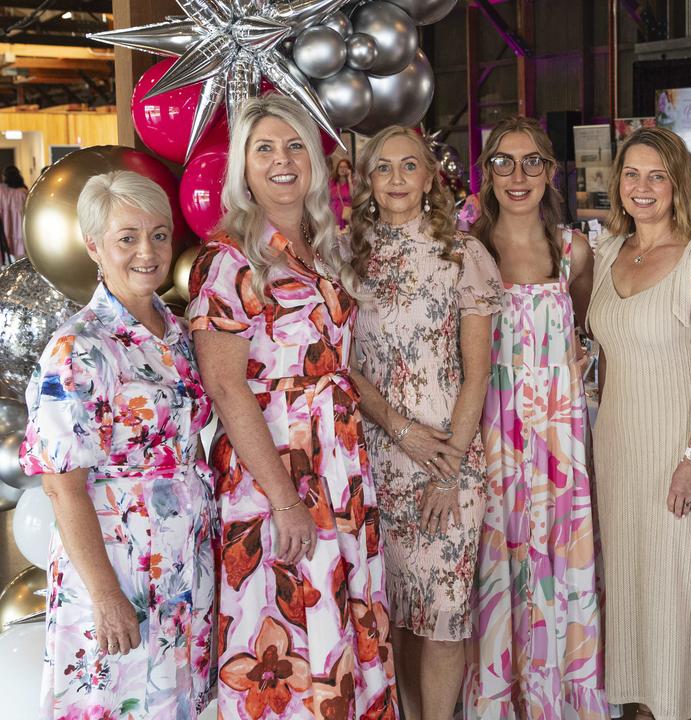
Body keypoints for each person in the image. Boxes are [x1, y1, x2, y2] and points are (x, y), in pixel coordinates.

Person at [186, 94, 397, 718]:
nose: (282, 161)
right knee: (283, 632)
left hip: (341, 467)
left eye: (295, 145)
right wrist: (283, 497)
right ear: (243, 169)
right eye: (265, 149)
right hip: (276, 470)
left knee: (345, 617)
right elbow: (226, 388)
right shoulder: (229, 259)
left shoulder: (319, 248)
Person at [20, 170, 215, 718]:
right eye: (126, 237)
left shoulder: (175, 331)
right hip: (118, 564)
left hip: (183, 562)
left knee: (177, 704)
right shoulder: (77, 347)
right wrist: (106, 597)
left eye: (158, 233)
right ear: (93, 246)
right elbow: (61, 488)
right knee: (119, 702)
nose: (147, 251)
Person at [346, 125, 500, 720]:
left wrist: (447, 469)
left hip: (448, 458)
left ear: (430, 176)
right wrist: (398, 429)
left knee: (442, 617)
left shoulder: (463, 254)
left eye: (409, 166)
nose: (397, 179)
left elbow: (477, 373)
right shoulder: (342, 257)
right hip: (372, 458)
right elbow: (339, 363)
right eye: (383, 168)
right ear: (367, 182)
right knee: (393, 616)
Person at [586, 127, 691, 720]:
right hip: (616, 450)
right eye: (631, 174)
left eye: (657, 175)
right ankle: (636, 710)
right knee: (627, 591)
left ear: (678, 183)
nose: (642, 187)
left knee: (675, 594)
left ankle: (672, 710)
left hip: (677, 453)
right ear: (617, 184)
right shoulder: (604, 256)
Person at [462, 116, 607, 719]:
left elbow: (587, 328)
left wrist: (582, 351)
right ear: (487, 172)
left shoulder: (572, 248)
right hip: (493, 426)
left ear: (551, 172)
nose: (517, 176)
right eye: (503, 162)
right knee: (499, 556)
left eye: (531, 163)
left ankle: (559, 696)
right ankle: (502, 697)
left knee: (558, 551)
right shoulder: (468, 246)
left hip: (557, 432)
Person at [0, 164, 28, 259]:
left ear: (5, 176)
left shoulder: (1, 191)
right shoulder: (23, 192)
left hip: (5, 229)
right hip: (20, 231)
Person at [329, 153, 354, 230]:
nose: (342, 169)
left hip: (345, 215)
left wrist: (349, 179)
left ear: (349, 169)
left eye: (345, 167)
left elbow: (353, 197)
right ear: (337, 169)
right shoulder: (332, 182)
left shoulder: (352, 182)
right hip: (332, 214)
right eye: (340, 167)